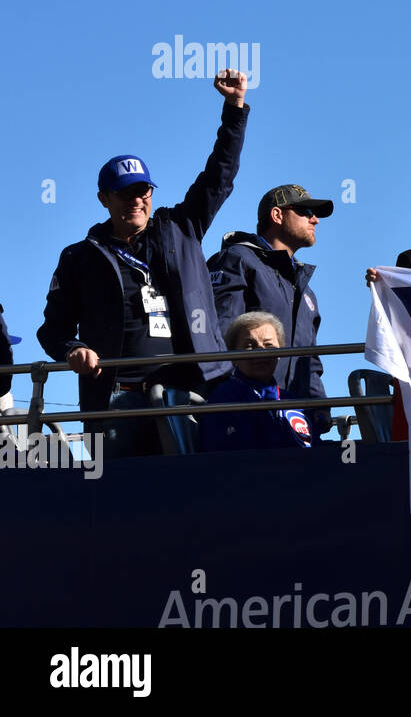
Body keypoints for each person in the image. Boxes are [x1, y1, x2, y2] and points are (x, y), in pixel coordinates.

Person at [37, 70, 249, 457]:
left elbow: (220, 175)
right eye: (125, 194)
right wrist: (73, 349)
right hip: (119, 398)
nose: (136, 201)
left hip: (191, 388)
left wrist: (233, 109)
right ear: (104, 198)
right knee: (123, 497)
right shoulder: (79, 256)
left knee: (198, 488)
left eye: (143, 191)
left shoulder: (181, 227)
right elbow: (52, 329)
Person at [208, 184, 333, 434]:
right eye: (306, 211)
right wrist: (231, 398)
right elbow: (220, 334)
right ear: (277, 215)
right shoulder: (237, 260)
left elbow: (309, 359)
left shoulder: (306, 291)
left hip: (291, 419)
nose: (315, 220)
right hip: (243, 415)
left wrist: (319, 405)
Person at [199, 311, 314, 452]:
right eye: (249, 345)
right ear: (233, 355)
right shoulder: (225, 397)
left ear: (280, 352)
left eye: (268, 345)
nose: (260, 351)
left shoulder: (293, 402)